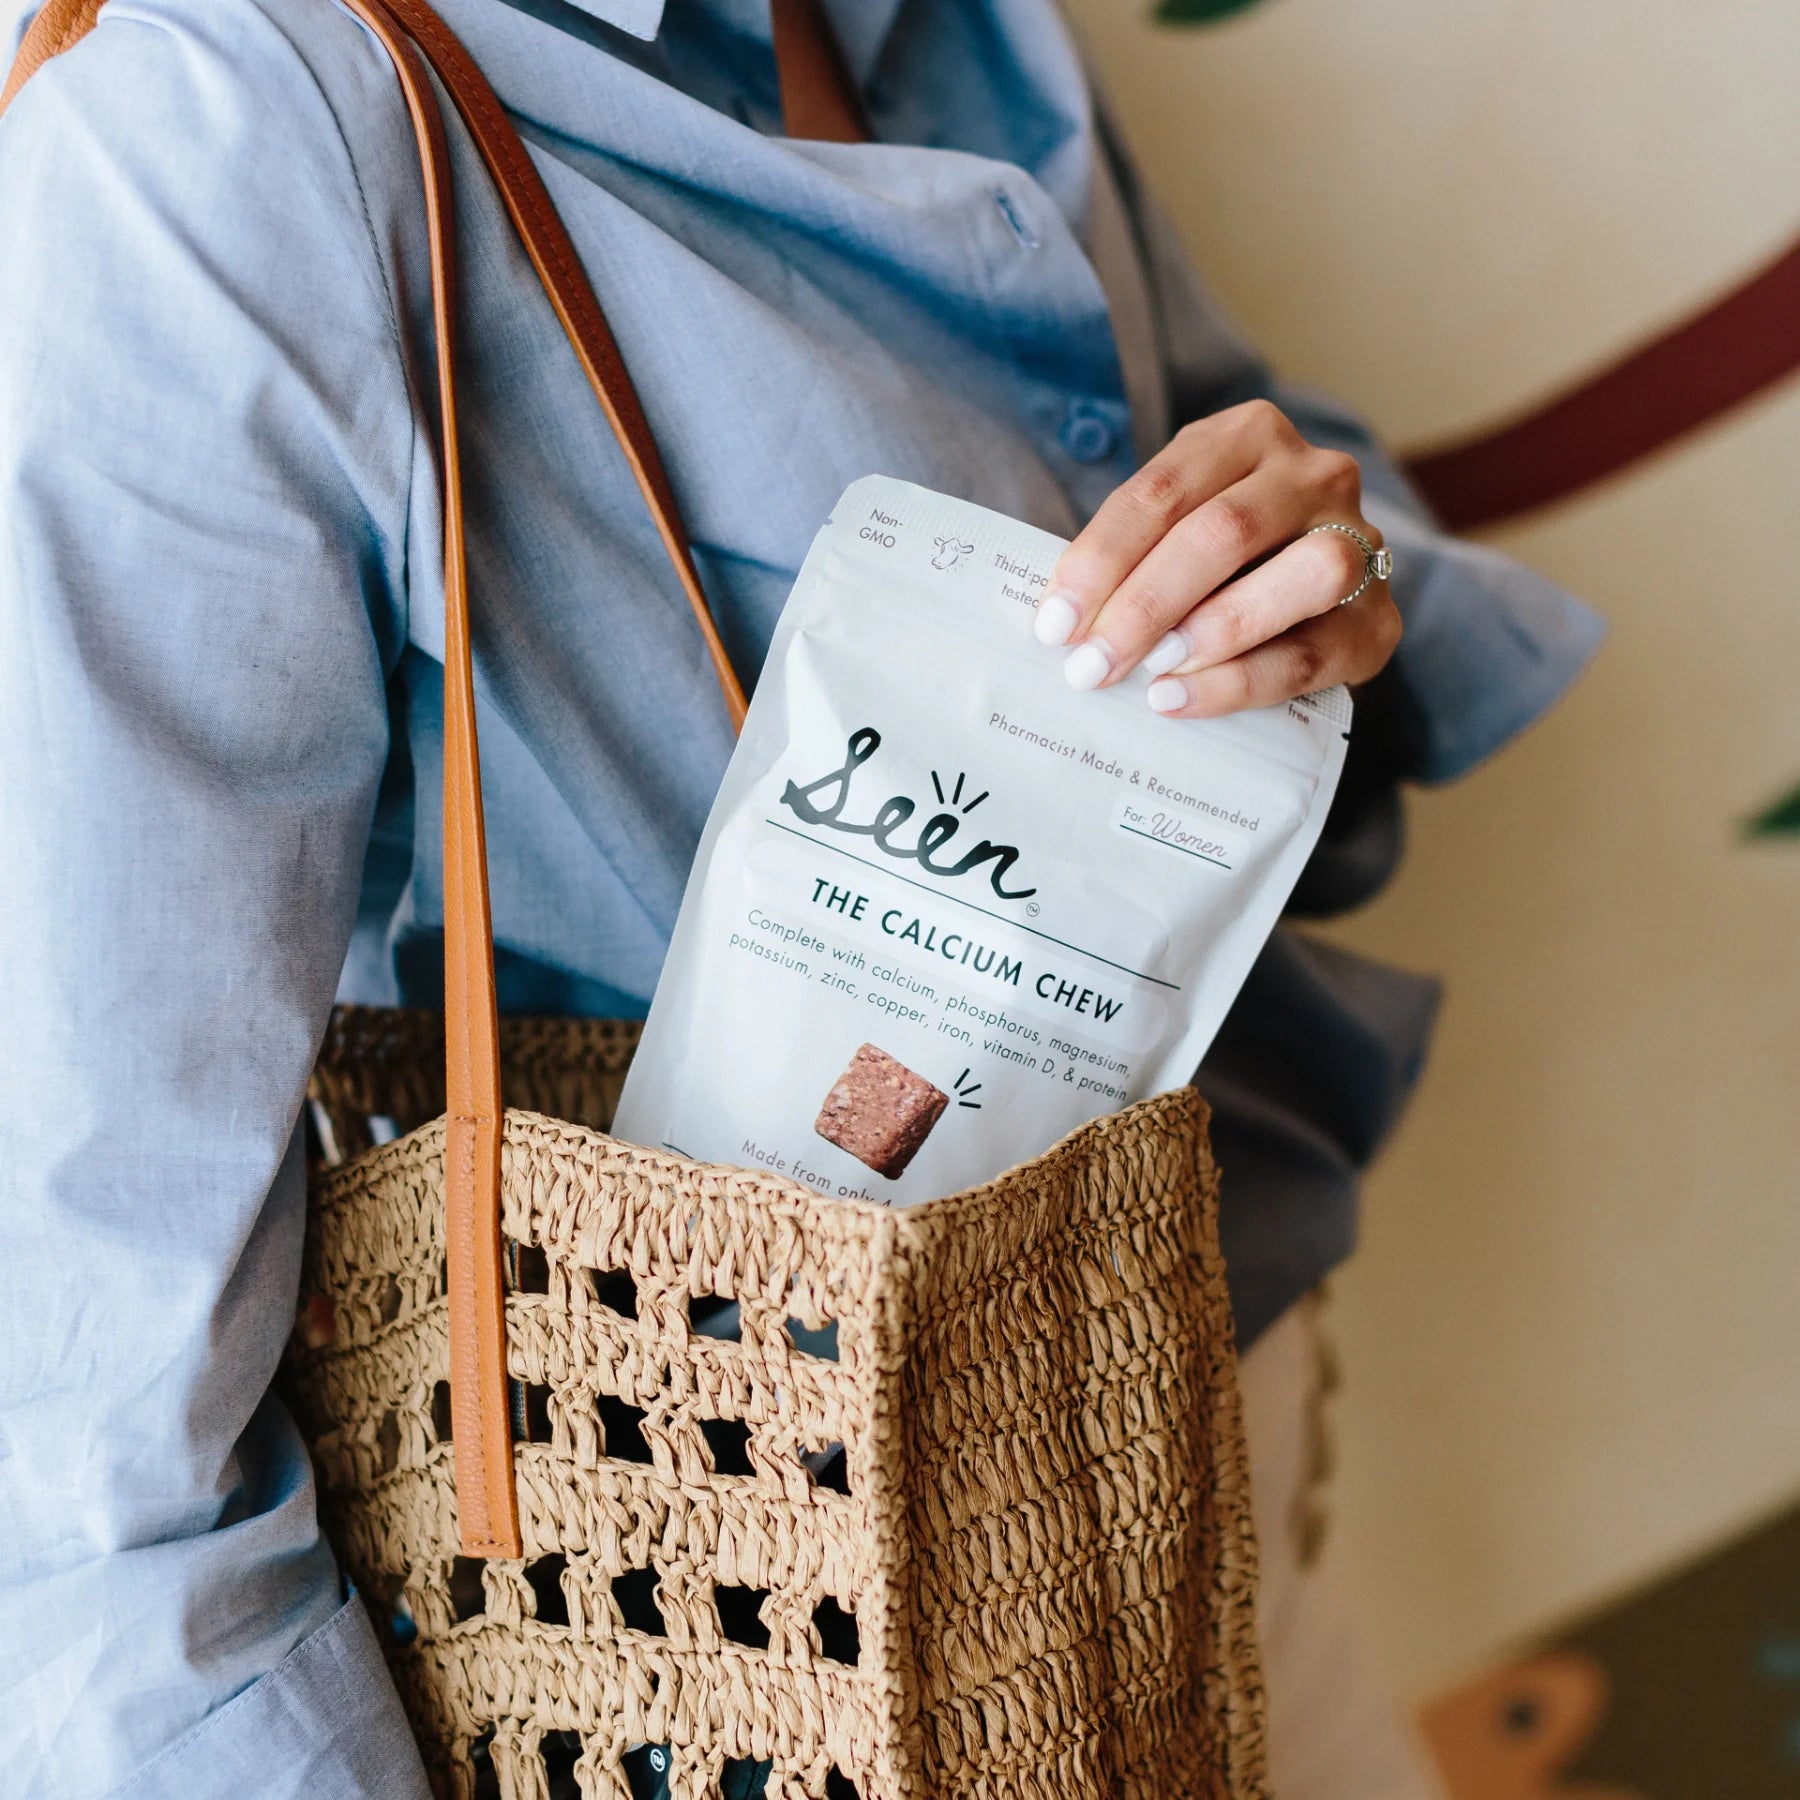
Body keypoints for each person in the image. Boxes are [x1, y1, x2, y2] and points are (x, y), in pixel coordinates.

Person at [0, 1, 1602, 1796]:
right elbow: (88, 1420)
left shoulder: (958, 25)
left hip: (1185, 1440)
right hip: (737, 1606)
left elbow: (1243, 457)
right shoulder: (220, 134)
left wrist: (1302, 594)